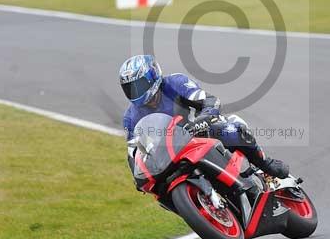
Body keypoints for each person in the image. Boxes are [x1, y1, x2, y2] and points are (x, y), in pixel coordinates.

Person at [119, 54, 290, 179]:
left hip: (198, 132)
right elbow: (133, 152)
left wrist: (203, 120)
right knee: (157, 188)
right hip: (169, 154)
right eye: (130, 88)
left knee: (226, 130)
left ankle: (265, 164)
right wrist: (139, 176)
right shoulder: (130, 117)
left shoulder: (174, 83)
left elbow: (209, 100)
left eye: (139, 85)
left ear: (152, 77)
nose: (136, 92)